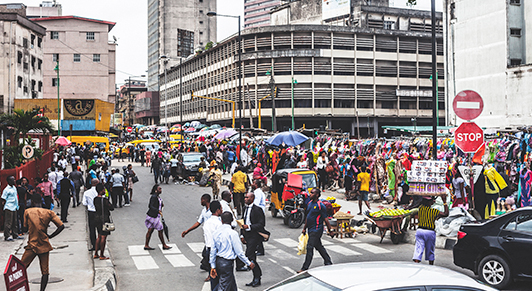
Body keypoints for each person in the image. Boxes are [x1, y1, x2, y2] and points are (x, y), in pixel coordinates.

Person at [21, 193, 64, 291]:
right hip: (44, 244)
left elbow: (24, 228)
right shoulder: (49, 213)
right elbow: (61, 226)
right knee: (45, 272)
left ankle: (21, 287)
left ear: (32, 201)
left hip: (31, 245)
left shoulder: (27, 212)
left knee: (22, 267)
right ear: (41, 201)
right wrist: (50, 236)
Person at [210, 212, 255, 291]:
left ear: (221, 220)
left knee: (231, 286)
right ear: (231, 220)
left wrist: (213, 266)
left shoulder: (216, 233)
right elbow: (239, 252)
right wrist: (248, 263)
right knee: (223, 287)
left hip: (218, 261)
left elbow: (213, 251)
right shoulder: (233, 234)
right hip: (227, 263)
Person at [298, 188, 333, 273]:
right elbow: (308, 217)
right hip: (310, 229)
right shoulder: (310, 204)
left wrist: (330, 230)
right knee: (318, 246)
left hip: (317, 229)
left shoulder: (321, 206)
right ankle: (328, 261)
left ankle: (304, 268)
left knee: (310, 247)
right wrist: (304, 228)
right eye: (310, 193)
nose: (310, 194)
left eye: (312, 193)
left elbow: (326, 219)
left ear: (317, 195)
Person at [412, 195, 449, 265]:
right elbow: (445, 214)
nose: (434, 201)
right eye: (432, 200)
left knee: (418, 249)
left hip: (420, 231)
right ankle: (431, 266)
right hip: (430, 232)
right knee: (430, 250)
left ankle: (416, 264)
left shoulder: (420, 208)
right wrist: (444, 202)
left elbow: (413, 208)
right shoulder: (434, 211)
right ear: (430, 203)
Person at [182, 194, 212, 271]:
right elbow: (198, 223)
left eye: (201, 200)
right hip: (207, 236)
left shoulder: (213, 210)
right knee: (206, 253)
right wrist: (187, 231)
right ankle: (205, 265)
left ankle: (210, 271)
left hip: (213, 236)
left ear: (205, 200)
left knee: (208, 254)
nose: (201, 202)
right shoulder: (204, 211)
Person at [241, 193, 264, 287]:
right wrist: (242, 235)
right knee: (252, 257)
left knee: (249, 255)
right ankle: (256, 277)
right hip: (247, 235)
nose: (245, 199)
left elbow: (261, 224)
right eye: (245, 197)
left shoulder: (257, 210)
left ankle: (257, 275)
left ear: (252, 198)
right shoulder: (244, 208)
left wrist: (250, 227)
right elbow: (242, 222)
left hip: (254, 236)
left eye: (247, 197)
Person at [145, 184, 172, 251]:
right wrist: (158, 210)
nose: (161, 190)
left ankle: (146, 245)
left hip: (153, 216)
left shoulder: (157, 197)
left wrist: (161, 205)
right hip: (153, 217)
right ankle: (164, 245)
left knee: (150, 230)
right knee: (160, 229)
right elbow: (150, 206)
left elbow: (157, 204)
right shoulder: (154, 197)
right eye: (159, 189)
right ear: (156, 190)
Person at [93, 183, 114, 260]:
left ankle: (96, 253)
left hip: (97, 218)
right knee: (103, 237)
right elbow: (111, 207)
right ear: (101, 190)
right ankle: (101, 254)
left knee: (98, 236)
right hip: (104, 219)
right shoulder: (104, 200)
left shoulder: (95, 199)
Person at [204, 201, 223, 286]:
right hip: (216, 251)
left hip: (208, 249)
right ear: (218, 210)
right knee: (219, 277)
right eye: (221, 208)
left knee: (213, 276)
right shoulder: (218, 224)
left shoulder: (207, 222)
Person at [2, 176, 23, 241]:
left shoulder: (14, 188)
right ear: (9, 181)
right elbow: (3, 199)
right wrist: (4, 208)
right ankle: (7, 236)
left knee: (15, 222)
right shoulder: (6, 190)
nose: (14, 181)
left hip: (15, 207)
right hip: (9, 207)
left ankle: (15, 235)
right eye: (12, 180)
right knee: (8, 223)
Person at [83, 178, 100, 251]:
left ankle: (94, 245)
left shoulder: (87, 192)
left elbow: (84, 203)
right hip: (99, 212)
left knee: (92, 229)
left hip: (91, 212)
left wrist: (89, 205)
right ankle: (100, 244)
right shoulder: (100, 191)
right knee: (100, 229)